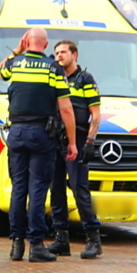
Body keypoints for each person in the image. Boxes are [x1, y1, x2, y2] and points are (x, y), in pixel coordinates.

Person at [0, 28, 78, 263]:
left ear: (26, 41)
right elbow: (65, 108)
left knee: (18, 190)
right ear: (46, 44)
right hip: (41, 134)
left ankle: (16, 245)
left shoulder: (16, 63)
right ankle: (36, 246)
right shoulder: (54, 68)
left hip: (17, 133)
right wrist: (72, 142)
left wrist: (17, 50)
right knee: (38, 190)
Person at [47, 40, 103, 259]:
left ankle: (93, 239)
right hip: (56, 140)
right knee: (56, 190)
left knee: (80, 189)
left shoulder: (85, 80)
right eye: (56, 53)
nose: (59, 56)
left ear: (75, 55)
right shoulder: (55, 79)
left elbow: (95, 115)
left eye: (63, 52)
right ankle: (61, 239)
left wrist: (90, 142)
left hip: (78, 139)